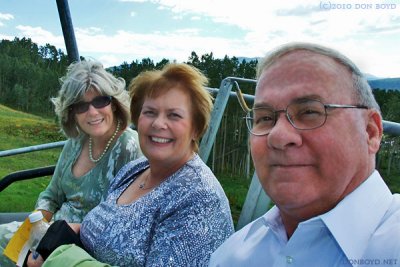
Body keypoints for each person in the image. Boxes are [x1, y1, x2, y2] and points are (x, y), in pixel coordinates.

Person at [209, 42, 400, 266]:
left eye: (309, 112)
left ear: (370, 131)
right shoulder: (230, 256)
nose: (277, 136)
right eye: (265, 118)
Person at [29, 63, 234, 267]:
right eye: (150, 112)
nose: (158, 124)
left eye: (174, 115)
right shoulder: (134, 171)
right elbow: (109, 227)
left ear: (196, 128)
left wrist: (60, 258)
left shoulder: (199, 198)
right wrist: (76, 230)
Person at [0, 59, 141, 267]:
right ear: (71, 112)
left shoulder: (130, 149)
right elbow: (51, 195)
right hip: (52, 233)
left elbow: (122, 224)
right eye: (81, 106)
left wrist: (48, 247)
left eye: (101, 101)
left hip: (84, 248)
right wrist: (32, 232)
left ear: (114, 103)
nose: (92, 112)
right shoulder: (76, 142)